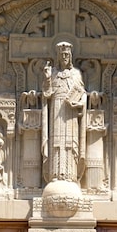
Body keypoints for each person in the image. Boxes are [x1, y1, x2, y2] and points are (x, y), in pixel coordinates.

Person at [41, 42, 87, 183]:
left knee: (70, 143)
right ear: (58, 57)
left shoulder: (76, 73)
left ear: (71, 56)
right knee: (56, 142)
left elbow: (83, 93)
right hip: (56, 108)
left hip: (71, 110)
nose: (64, 57)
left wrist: (80, 103)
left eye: (67, 54)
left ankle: (70, 176)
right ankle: (55, 175)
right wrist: (48, 78)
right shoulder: (53, 73)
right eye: (62, 55)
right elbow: (47, 94)